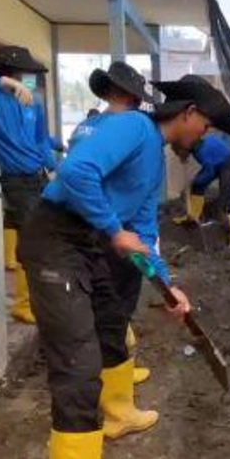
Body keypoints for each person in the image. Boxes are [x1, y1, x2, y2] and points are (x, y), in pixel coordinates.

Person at [19, 74, 230, 459]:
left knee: (112, 322)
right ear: (189, 114)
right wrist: (114, 230)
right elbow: (76, 173)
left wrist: (167, 285)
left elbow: (143, 231)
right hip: (55, 241)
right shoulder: (134, 127)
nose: (204, 138)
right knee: (78, 368)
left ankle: (118, 413)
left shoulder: (155, 159)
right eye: (206, 128)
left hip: (88, 243)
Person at [73, 61, 158, 385]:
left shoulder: (87, 125)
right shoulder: (126, 128)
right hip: (111, 224)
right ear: (131, 97)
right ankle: (112, 374)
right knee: (117, 301)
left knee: (104, 303)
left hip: (87, 222)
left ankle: (115, 365)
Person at [0, 46, 57, 325]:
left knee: (25, 230)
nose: (30, 79)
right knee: (33, 240)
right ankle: (25, 304)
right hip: (14, 179)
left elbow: (40, 139)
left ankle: (27, 294)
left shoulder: (33, 101)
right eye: (26, 74)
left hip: (36, 175)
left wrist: (53, 166)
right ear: (12, 74)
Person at [172, 132, 230, 250]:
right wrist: (195, 182)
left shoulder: (200, 151)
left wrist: (194, 181)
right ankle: (194, 216)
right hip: (214, 164)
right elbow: (209, 167)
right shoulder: (193, 146)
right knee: (197, 187)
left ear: (184, 148)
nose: (180, 157)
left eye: (179, 154)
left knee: (227, 199)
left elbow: (209, 172)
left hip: (228, 163)